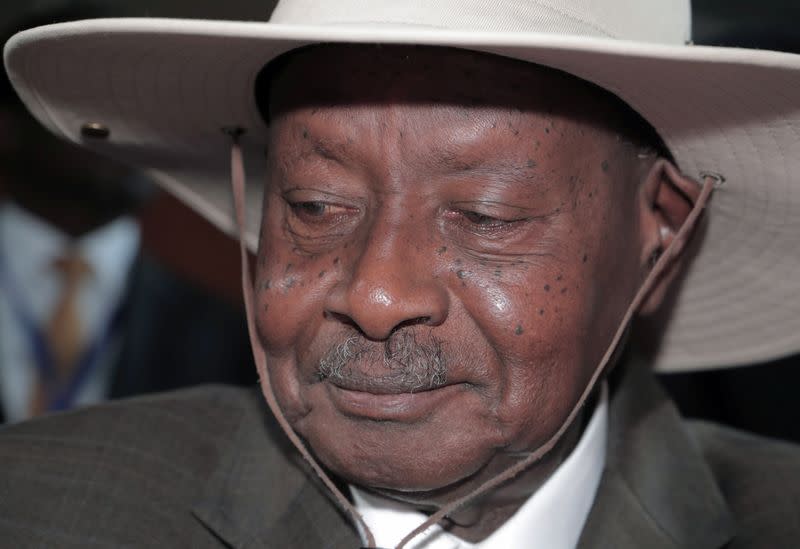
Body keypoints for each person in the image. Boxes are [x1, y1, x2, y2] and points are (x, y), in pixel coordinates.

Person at [1, 1, 799, 547]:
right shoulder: (35, 507)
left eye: (486, 216)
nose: (376, 294)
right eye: (315, 206)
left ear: (659, 230)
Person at [0, 3, 256, 422]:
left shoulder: (226, 334)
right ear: (8, 127)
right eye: (97, 102)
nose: (135, 131)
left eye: (148, 110)